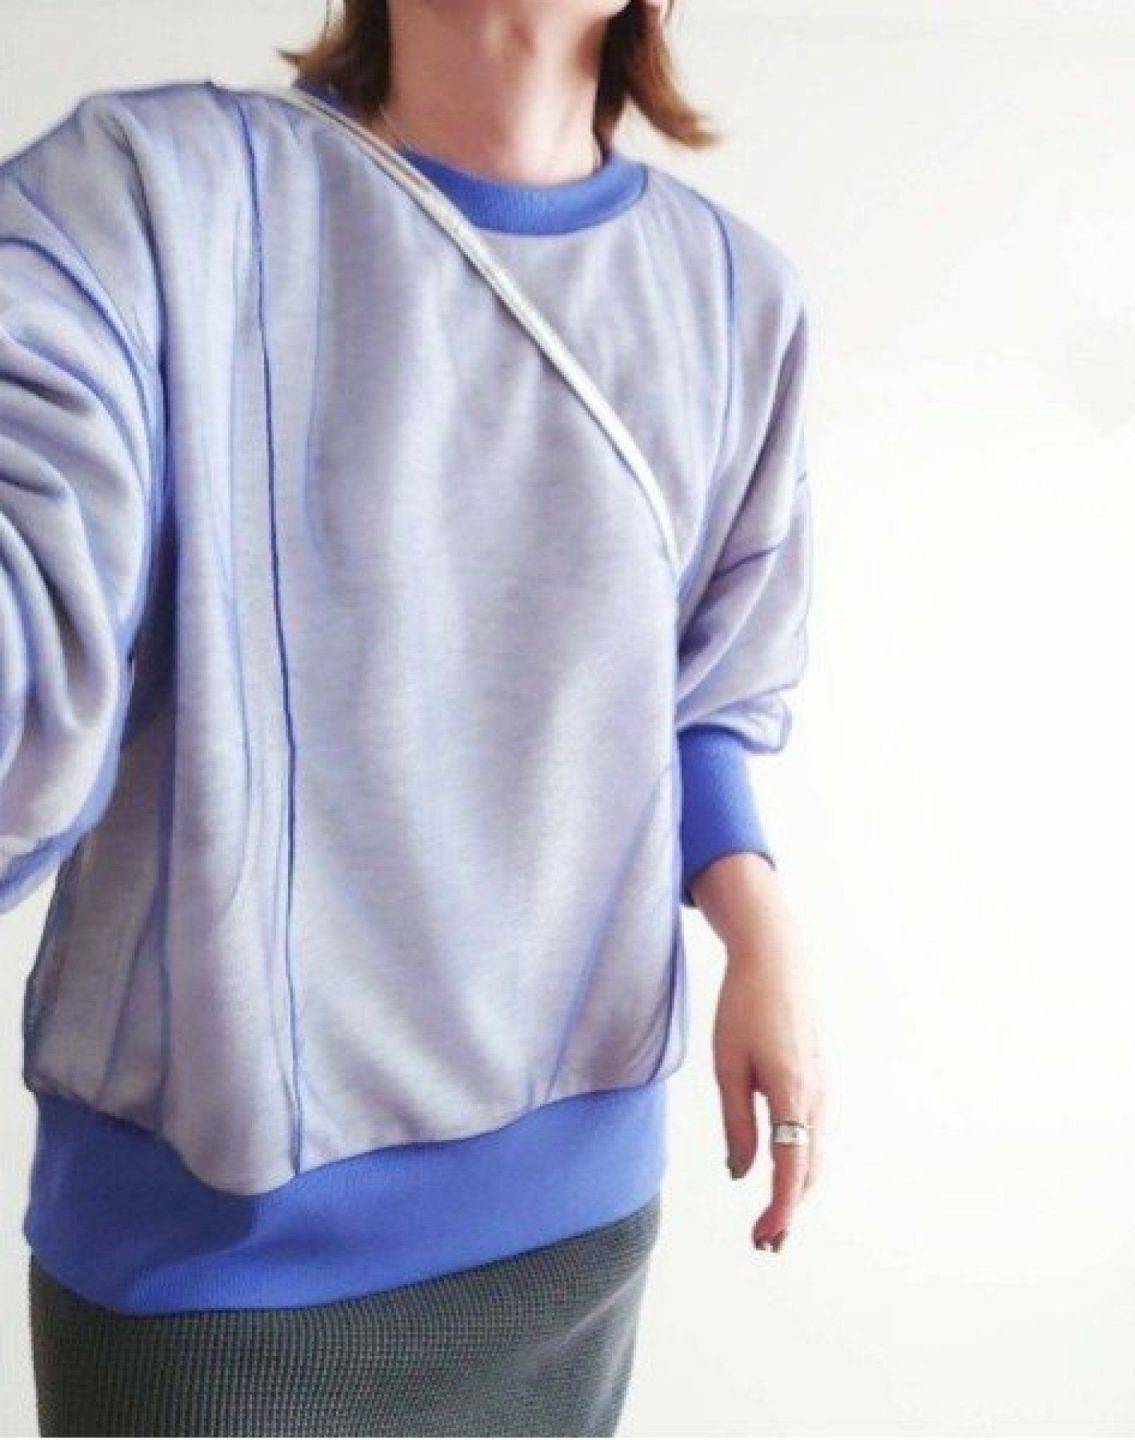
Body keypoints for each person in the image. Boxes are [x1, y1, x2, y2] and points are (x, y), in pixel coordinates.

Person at [0, 0, 827, 1433]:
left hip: (570, 1233)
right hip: (212, 1266)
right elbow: (38, 565)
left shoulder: (731, 299)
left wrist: (757, 925)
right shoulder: (150, 203)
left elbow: (702, 682)